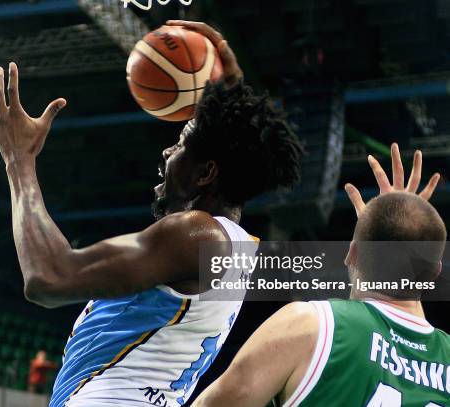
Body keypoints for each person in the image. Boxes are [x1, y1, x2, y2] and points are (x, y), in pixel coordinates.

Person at [0, 20, 303, 407]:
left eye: (180, 144)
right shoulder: (238, 250)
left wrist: (19, 161)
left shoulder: (196, 235)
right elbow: (244, 144)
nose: (168, 153)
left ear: (206, 173)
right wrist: (230, 89)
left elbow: (49, 277)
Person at [192, 144, 448, 407]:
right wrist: (401, 229)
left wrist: (380, 229)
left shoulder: (309, 325)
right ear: (435, 272)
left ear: (351, 254)